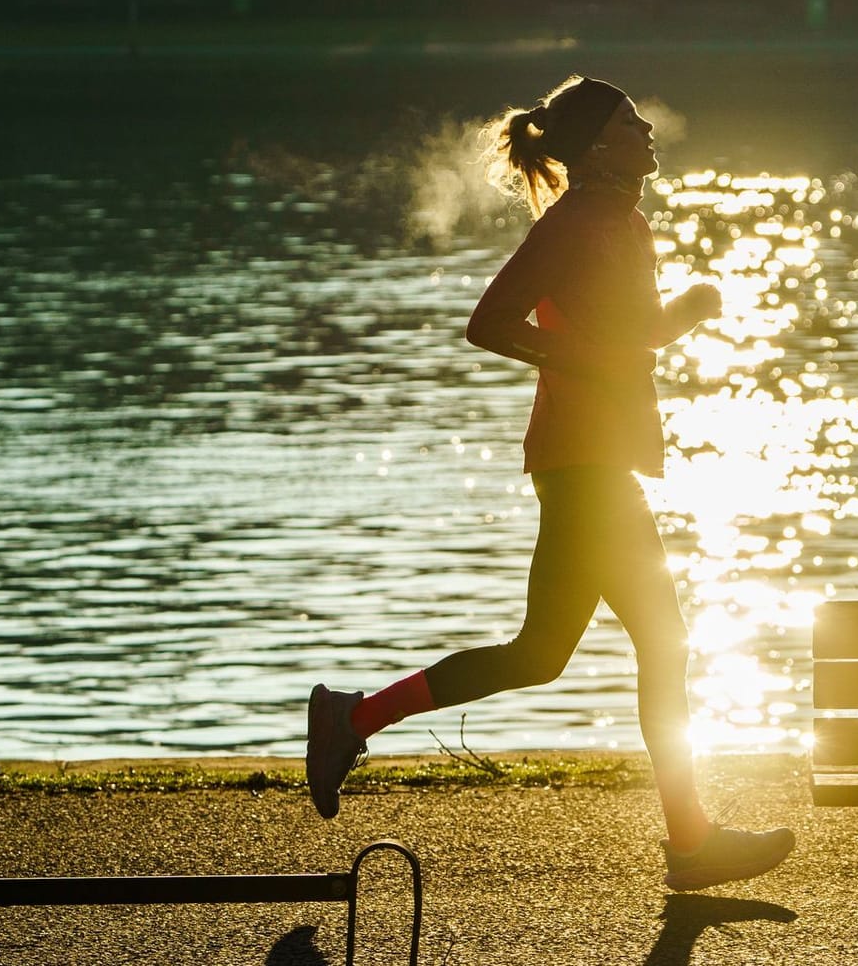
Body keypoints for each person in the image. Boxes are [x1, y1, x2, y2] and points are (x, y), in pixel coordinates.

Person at [306, 75, 795, 893]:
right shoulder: (575, 223)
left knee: (542, 655)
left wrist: (685, 314)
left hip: (599, 463)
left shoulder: (622, 220)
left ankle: (352, 717)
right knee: (655, 646)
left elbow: (627, 336)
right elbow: (490, 323)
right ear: (599, 145)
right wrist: (599, 354)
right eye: (631, 122)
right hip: (582, 465)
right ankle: (690, 842)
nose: (647, 130)